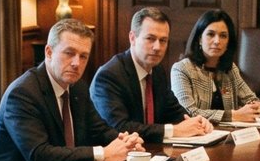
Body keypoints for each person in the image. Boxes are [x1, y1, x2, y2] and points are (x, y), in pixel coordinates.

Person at [0, 19, 144, 161]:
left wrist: (125, 143)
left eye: (83, 56)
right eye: (69, 53)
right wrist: (103, 153)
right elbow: (39, 155)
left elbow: (99, 131)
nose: (76, 63)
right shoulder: (22, 94)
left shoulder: (77, 88)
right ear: (48, 52)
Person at [91, 7, 216, 143]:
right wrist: (175, 130)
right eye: (150, 38)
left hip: (153, 151)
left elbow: (173, 111)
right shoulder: (109, 76)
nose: (157, 47)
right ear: (132, 38)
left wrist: (196, 121)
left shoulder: (157, 71)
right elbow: (120, 128)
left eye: (163, 40)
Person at [168, 8, 260, 125]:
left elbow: (250, 98)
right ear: (200, 39)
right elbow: (188, 112)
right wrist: (234, 115)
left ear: (228, 42)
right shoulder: (181, 69)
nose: (217, 41)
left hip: (229, 135)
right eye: (211, 34)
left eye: (223, 36)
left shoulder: (230, 69)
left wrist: (256, 107)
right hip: (198, 137)